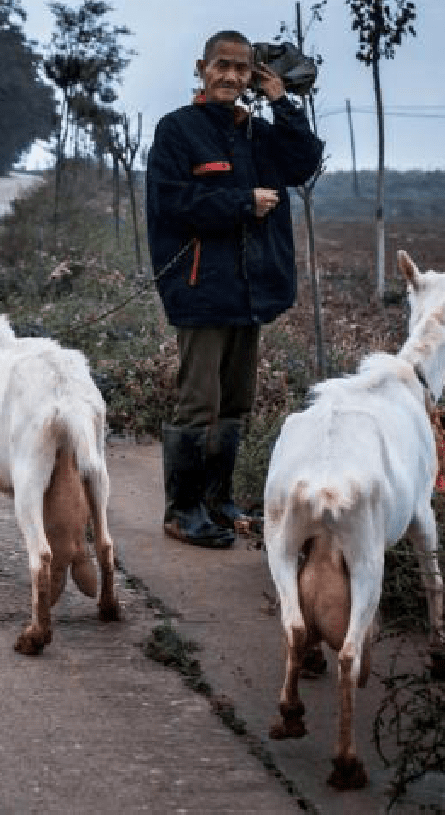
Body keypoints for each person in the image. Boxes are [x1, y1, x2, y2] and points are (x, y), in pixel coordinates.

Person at [145, 30, 324, 548]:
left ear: (252, 76)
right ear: (201, 68)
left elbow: (303, 162)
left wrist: (282, 103)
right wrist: (242, 202)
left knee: (236, 403)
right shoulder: (178, 131)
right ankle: (183, 511)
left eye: (241, 69)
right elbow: (172, 204)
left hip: (251, 290)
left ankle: (219, 502)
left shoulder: (257, 133)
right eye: (220, 65)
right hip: (200, 288)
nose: (229, 75)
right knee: (198, 402)